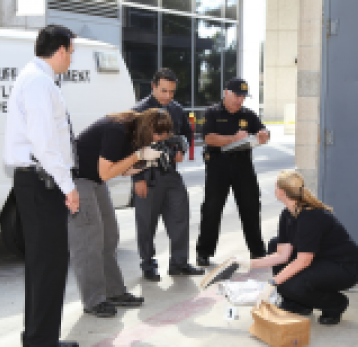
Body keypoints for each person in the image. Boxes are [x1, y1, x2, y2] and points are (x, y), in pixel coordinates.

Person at [4, 25, 79, 347]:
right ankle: (41, 341)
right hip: (42, 182)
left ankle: (39, 338)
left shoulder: (35, 78)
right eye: (71, 52)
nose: (71, 59)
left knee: (43, 266)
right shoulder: (38, 81)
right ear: (60, 50)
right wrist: (68, 186)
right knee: (49, 266)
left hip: (36, 181)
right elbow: (44, 142)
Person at [68, 108, 172, 317]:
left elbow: (122, 170)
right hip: (79, 181)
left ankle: (113, 292)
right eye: (156, 135)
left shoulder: (134, 132)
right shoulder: (118, 129)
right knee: (89, 242)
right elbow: (105, 172)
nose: (156, 140)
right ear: (148, 127)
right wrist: (138, 155)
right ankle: (93, 300)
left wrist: (147, 162)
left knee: (109, 237)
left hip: (95, 180)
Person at [234, 170, 358, 325]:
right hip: (320, 260)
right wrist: (250, 263)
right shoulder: (287, 214)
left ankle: (336, 304)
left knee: (289, 284)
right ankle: (298, 303)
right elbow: (282, 255)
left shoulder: (310, 217)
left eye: (275, 186)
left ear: (281, 192)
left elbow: (303, 261)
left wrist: (273, 283)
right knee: (275, 244)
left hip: (344, 268)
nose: (274, 190)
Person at [132, 68, 204, 281]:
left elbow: (186, 135)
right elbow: (131, 147)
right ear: (153, 87)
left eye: (172, 91)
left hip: (171, 174)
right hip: (146, 174)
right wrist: (137, 179)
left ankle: (179, 263)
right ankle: (148, 265)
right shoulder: (138, 111)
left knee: (180, 217)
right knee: (147, 223)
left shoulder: (176, 109)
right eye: (164, 91)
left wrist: (181, 149)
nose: (168, 96)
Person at [196, 77, 270, 267]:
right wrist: (233, 139)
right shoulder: (213, 112)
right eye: (237, 95)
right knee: (212, 209)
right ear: (226, 93)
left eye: (243, 97)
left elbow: (263, 130)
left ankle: (257, 251)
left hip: (243, 166)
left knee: (251, 207)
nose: (240, 100)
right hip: (218, 166)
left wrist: (264, 135)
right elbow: (209, 138)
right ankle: (204, 252)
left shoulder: (248, 115)